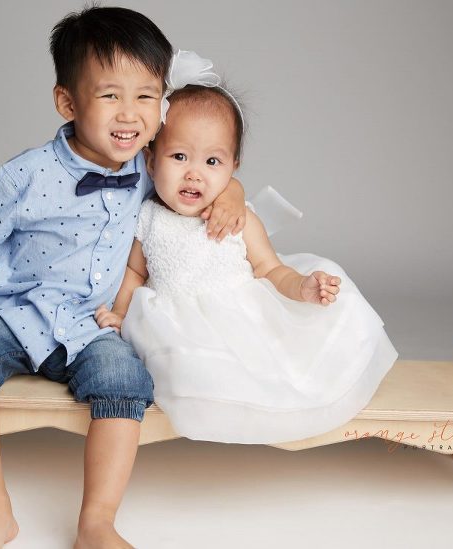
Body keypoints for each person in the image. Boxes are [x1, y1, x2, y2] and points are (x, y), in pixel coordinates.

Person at [0, 10, 246, 549]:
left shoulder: (151, 166)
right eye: (110, 96)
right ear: (67, 103)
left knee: (125, 384)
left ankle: (96, 522)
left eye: (146, 96)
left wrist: (232, 192)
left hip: (94, 324)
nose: (131, 114)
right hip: (14, 314)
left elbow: (201, 173)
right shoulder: (25, 174)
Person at [95, 51, 399, 445]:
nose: (194, 172)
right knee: (191, 373)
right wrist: (121, 312)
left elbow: (271, 270)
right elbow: (135, 272)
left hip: (240, 320)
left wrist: (303, 286)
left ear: (234, 166)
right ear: (151, 161)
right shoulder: (149, 218)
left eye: (212, 161)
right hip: (177, 325)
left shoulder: (240, 218)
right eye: (179, 156)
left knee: (272, 372)